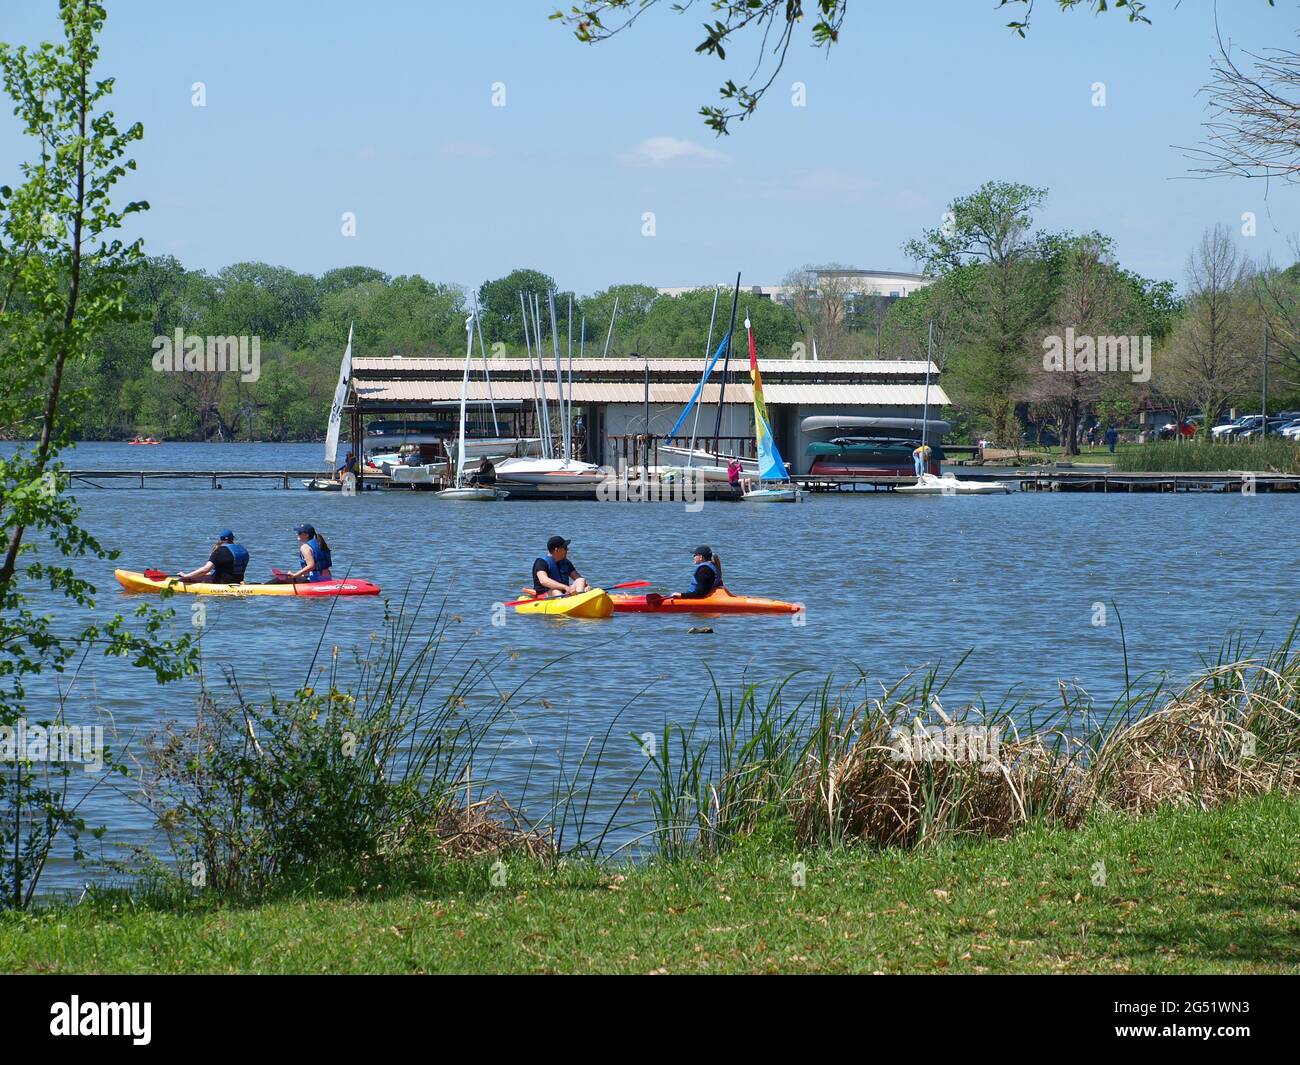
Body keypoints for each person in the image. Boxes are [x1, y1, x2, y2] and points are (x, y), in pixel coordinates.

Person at [176, 530, 249, 584]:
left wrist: (186, 575)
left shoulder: (220, 551)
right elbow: (229, 568)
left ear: (221, 539)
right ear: (232, 538)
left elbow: (206, 569)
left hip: (221, 583)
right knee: (207, 574)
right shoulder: (243, 550)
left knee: (184, 580)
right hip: (238, 581)